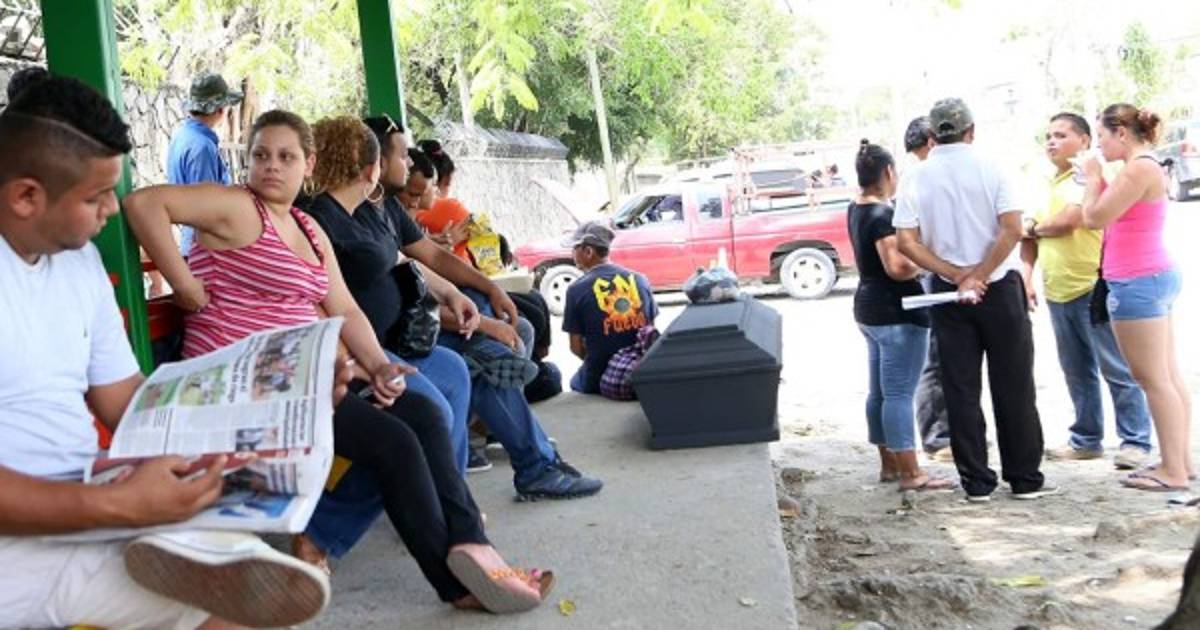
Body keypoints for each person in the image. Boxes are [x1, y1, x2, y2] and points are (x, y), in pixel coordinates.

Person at [124, 110, 554, 613]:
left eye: (286, 157)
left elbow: (344, 308)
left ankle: (472, 544)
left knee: (422, 413)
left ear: (308, 165)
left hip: (299, 380)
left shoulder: (307, 228)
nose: (271, 166)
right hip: (243, 386)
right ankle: (454, 585)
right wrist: (184, 285)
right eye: (261, 155)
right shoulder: (237, 207)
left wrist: (379, 365)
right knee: (393, 444)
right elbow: (143, 204)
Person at [0, 75, 333, 630]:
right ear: (26, 196)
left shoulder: (78, 263)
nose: (112, 209)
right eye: (95, 196)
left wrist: (266, 412)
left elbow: (126, 403)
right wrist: (118, 506)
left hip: (85, 519)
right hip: (27, 545)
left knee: (239, 610)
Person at [894, 98, 1054, 502]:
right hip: (998, 285)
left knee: (960, 386)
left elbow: (906, 241)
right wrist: (980, 274)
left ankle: (976, 481)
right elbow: (1012, 228)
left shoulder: (916, 177)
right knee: (1014, 384)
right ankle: (1024, 476)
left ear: (933, 135)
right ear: (971, 130)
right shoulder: (992, 166)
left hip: (949, 291)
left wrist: (956, 275)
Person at [1021, 112, 1153, 469]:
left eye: (1061, 135)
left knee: (1116, 367)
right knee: (1076, 370)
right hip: (1057, 289)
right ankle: (1086, 439)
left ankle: (1136, 441)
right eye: (1048, 136)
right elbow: (1027, 235)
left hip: (1092, 285)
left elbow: (1070, 221)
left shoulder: (1089, 177)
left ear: (1084, 141)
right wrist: (1027, 277)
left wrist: (1033, 228)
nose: (1052, 142)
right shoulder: (1044, 182)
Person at [1081, 104, 1191, 492]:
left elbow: (1093, 218)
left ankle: (1174, 471)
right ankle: (1180, 461)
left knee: (1153, 379)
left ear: (1122, 133)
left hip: (1137, 280)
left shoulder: (1138, 169)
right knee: (1167, 375)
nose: (1099, 146)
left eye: (1102, 136)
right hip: (1149, 275)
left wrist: (1093, 178)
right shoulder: (1142, 167)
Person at [848, 140, 954, 492]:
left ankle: (889, 464)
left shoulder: (855, 208)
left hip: (869, 309)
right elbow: (897, 267)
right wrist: (927, 264)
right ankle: (911, 472)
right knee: (897, 394)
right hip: (896, 312)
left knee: (879, 392)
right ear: (889, 173)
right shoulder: (882, 215)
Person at [903, 116, 952, 462]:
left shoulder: (922, 177)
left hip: (938, 274)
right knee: (933, 361)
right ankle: (938, 437)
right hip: (931, 276)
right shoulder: (919, 179)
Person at [563, 221, 659, 394]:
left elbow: (575, 347)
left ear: (588, 252)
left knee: (573, 381)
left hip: (598, 377)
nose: (572, 254)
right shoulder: (640, 280)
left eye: (574, 248)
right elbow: (650, 331)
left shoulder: (576, 289)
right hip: (641, 372)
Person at [167, 72, 244, 257]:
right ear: (220, 109)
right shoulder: (203, 147)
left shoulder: (182, 135)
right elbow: (206, 206)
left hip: (191, 240)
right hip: (205, 247)